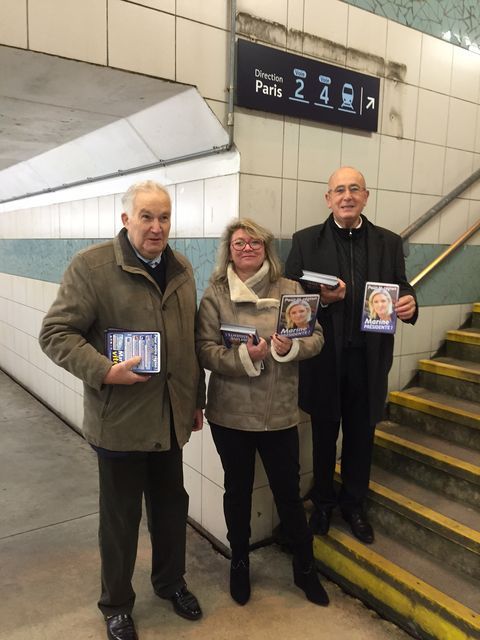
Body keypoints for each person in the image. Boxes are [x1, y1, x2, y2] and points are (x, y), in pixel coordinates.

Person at [39, 181, 205, 640]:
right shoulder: (92, 268)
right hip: (121, 424)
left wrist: (195, 401)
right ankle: (116, 604)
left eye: (164, 217)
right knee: (120, 520)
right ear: (126, 219)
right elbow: (55, 334)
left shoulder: (183, 269)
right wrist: (105, 371)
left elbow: (189, 343)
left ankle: (171, 583)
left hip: (170, 419)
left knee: (172, 510)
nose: (157, 227)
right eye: (147, 216)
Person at [196, 218, 329, 607]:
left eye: (255, 242)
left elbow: (316, 337)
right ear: (229, 249)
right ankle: (239, 561)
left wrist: (291, 349)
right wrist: (243, 356)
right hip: (231, 414)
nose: (248, 248)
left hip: (279, 412)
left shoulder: (291, 290)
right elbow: (204, 349)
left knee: (288, 493)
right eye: (240, 243)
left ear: (266, 248)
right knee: (237, 491)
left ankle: (305, 568)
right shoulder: (216, 294)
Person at [285, 166, 417, 545]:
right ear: (328, 198)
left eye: (354, 189)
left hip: (368, 360)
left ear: (365, 196)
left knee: (362, 436)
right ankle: (323, 502)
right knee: (324, 436)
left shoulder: (388, 242)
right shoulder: (307, 240)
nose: (346, 196)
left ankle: (354, 505)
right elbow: (292, 296)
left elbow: (402, 287)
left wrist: (410, 303)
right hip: (325, 359)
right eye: (339, 190)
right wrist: (320, 302)